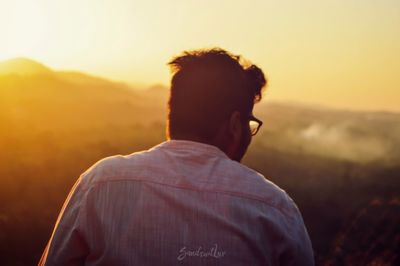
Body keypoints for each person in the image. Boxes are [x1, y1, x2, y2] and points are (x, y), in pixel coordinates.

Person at [39, 48, 314, 265]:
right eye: (248, 124)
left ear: (173, 116)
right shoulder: (275, 209)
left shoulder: (101, 184)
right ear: (233, 125)